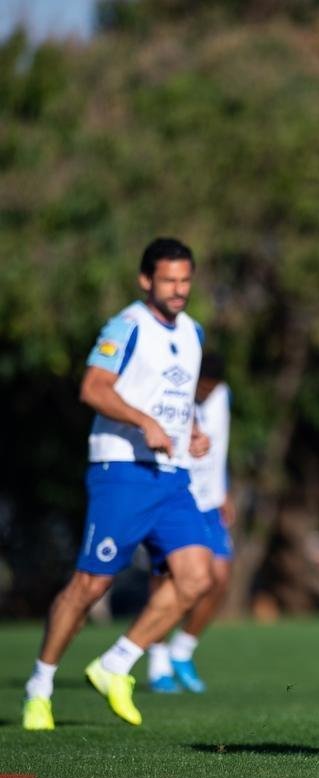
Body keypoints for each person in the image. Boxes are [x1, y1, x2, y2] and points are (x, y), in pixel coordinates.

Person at [22, 238, 215, 730]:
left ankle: (116, 663)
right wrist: (143, 422)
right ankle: (40, 687)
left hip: (172, 476)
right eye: (168, 280)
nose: (178, 290)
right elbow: (93, 388)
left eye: (185, 280)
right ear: (146, 280)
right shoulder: (126, 326)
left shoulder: (193, 332)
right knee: (91, 584)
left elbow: (177, 396)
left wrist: (192, 431)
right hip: (123, 470)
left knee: (197, 577)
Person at [148, 354, 234, 694]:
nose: (207, 393)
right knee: (167, 579)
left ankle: (182, 650)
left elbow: (221, 445)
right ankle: (157, 662)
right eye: (203, 387)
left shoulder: (224, 396)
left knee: (220, 578)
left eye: (212, 388)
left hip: (210, 501)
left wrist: (223, 490)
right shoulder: (171, 392)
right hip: (176, 495)